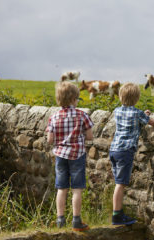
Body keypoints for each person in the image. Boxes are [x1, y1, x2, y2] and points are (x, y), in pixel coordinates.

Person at [109, 82, 154, 225]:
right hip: (125, 151)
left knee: (118, 182)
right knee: (120, 183)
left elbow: (132, 121)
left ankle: (118, 212)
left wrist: (144, 115)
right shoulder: (137, 113)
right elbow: (153, 123)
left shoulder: (117, 111)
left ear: (120, 96)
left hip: (114, 150)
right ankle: (117, 215)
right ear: (136, 98)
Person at [46, 81, 94, 231]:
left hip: (60, 155)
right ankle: (76, 220)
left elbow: (49, 140)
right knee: (77, 189)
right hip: (77, 155)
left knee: (61, 188)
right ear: (74, 98)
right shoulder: (82, 115)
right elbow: (90, 136)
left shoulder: (54, 117)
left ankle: (60, 220)